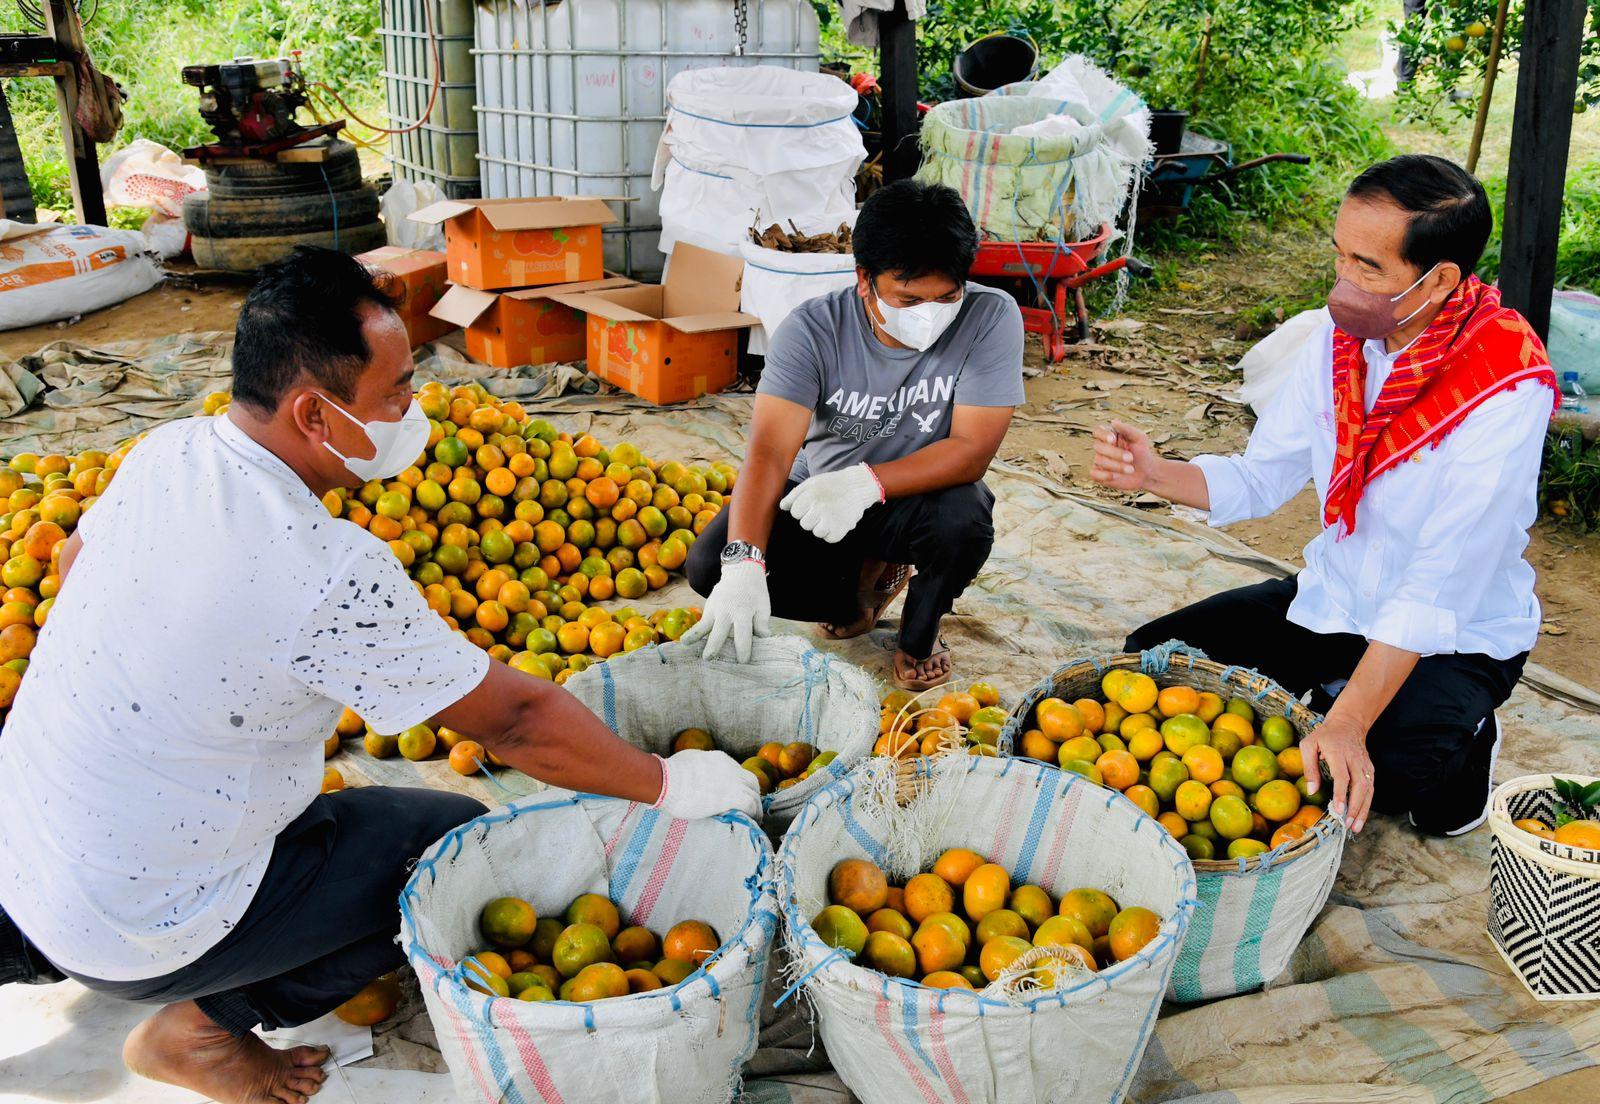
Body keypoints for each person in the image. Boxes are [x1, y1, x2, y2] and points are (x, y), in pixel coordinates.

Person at [0, 248, 760, 1104]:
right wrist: (669, 783)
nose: (413, 408)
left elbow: (70, 562)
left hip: (22, 847)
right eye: (396, 391)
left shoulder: (165, 451)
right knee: (439, 849)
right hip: (134, 920)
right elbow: (515, 722)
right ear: (313, 413)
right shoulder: (323, 567)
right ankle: (202, 1030)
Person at [1091, 154, 1556, 839]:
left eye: (1368, 267)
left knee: (1380, 775)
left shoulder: (1505, 387)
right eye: (1340, 255)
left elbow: (1438, 586)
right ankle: (1338, 686)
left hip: (1456, 634)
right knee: (1156, 660)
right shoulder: (1335, 343)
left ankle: (1464, 736)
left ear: (1441, 279)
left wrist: (1349, 723)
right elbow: (1262, 476)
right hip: (1339, 598)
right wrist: (1155, 474)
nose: (1344, 282)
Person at [686, 180, 1024, 690]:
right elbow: (770, 452)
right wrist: (744, 563)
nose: (929, 314)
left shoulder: (989, 317)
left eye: (947, 296)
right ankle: (860, 591)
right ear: (864, 279)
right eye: (909, 299)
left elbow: (971, 450)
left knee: (965, 519)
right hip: (821, 494)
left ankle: (919, 631)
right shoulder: (812, 330)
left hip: (915, 494)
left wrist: (868, 482)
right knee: (708, 567)